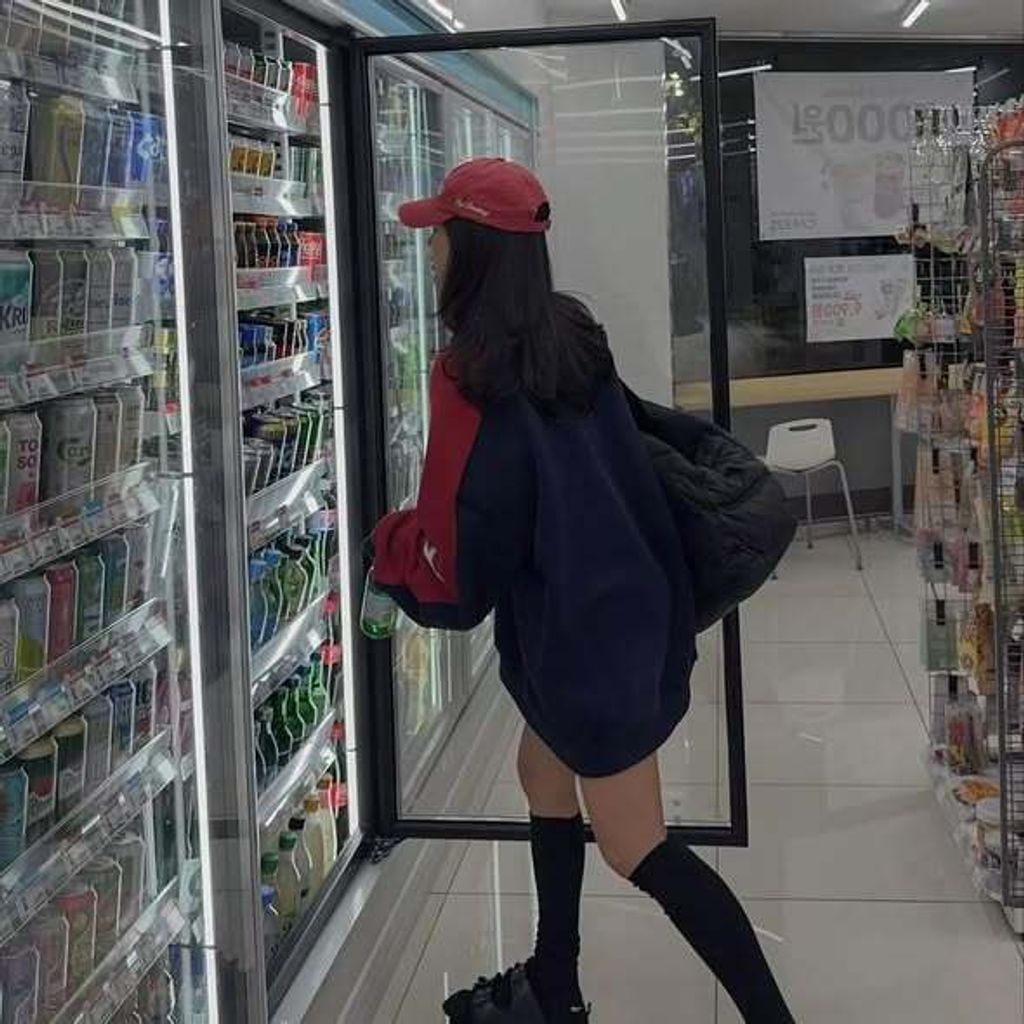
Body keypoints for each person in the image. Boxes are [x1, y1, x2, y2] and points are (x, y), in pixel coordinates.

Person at [370, 158, 795, 1024]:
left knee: (637, 847)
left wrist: (389, 556)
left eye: (441, 232)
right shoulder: (569, 333)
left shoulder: (472, 379)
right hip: (625, 601)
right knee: (541, 772)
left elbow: (460, 567)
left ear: (473, 249)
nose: (431, 248)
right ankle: (553, 985)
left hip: (590, 645)